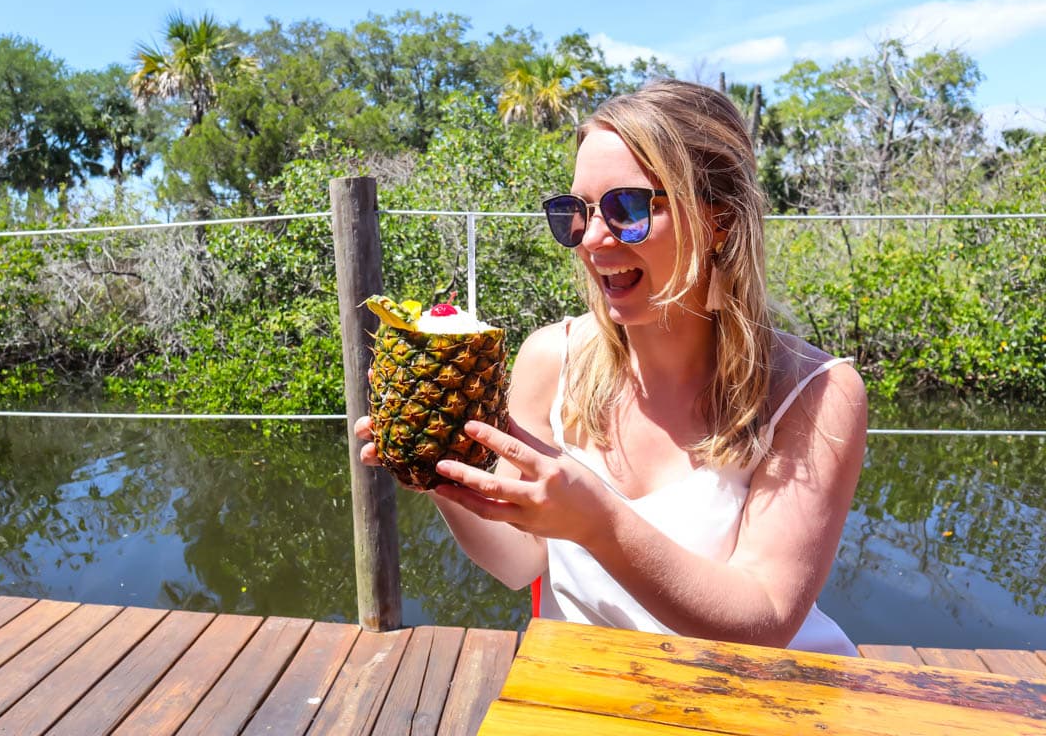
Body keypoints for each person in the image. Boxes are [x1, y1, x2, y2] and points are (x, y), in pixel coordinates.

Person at [354, 79, 867, 656]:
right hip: (599, 695)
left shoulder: (817, 393)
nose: (592, 240)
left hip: (760, 700)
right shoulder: (552, 360)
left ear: (719, 219)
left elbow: (766, 616)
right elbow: (520, 560)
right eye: (574, 212)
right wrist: (439, 470)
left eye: (626, 208)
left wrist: (599, 522)